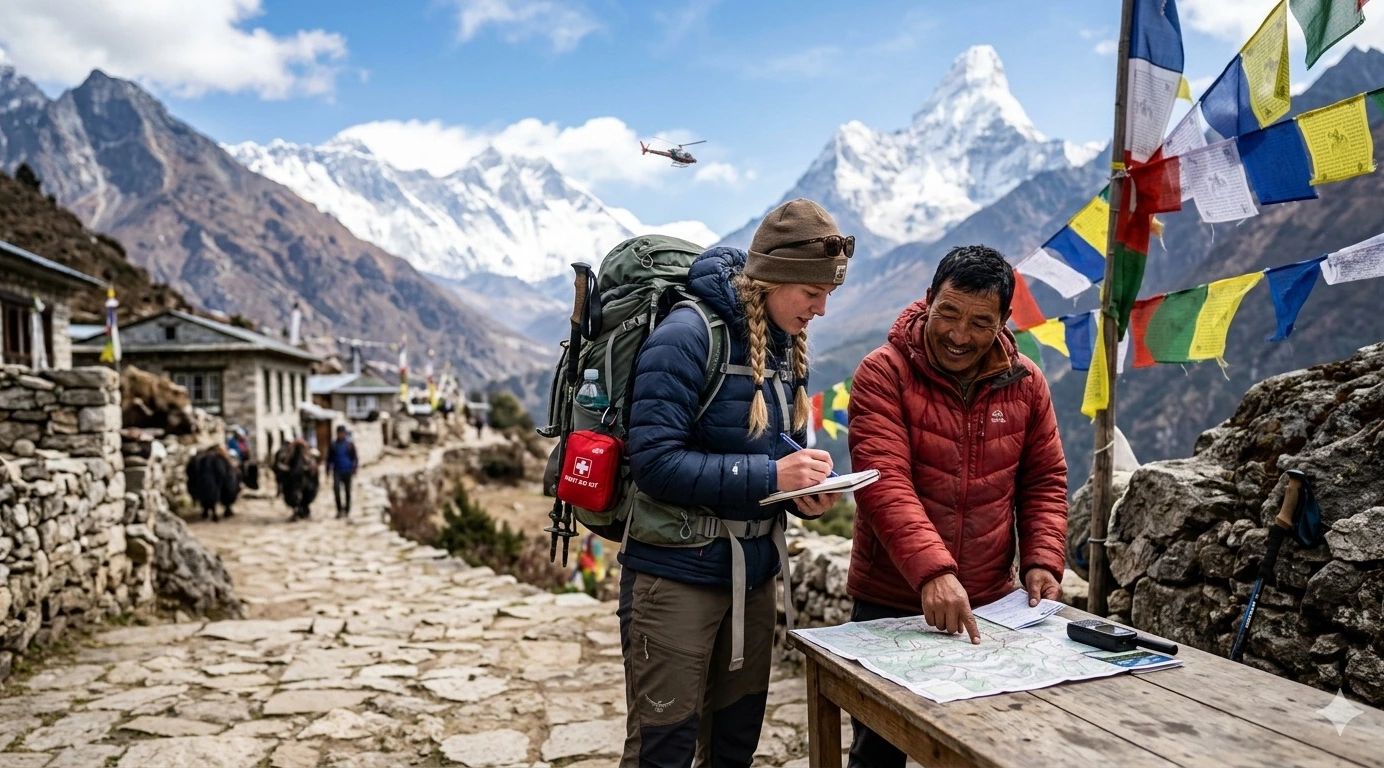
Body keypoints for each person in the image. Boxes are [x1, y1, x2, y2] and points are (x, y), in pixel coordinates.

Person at [620, 198, 852, 767]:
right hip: (675, 576)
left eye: (828, 295)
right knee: (663, 750)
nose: (821, 309)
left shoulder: (779, 342)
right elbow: (654, 462)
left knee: (734, 745)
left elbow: (767, 446)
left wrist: (800, 490)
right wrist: (772, 475)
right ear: (774, 277)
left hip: (751, 578)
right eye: (812, 294)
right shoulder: (686, 336)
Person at [844, 245, 1068, 768]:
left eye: (979, 322)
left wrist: (1041, 560)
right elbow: (883, 482)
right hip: (891, 599)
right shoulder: (884, 373)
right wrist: (933, 573)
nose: (959, 335)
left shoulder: (1026, 383)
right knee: (880, 748)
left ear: (1004, 321)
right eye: (948, 313)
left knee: (987, 743)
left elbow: (1044, 480)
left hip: (992, 605)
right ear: (927, 301)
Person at [325, 425, 359, 518]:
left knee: (347, 491)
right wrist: (327, 470)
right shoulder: (333, 445)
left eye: (342, 433)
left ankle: (347, 510)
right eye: (339, 433)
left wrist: (355, 468)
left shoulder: (349, 445)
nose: (341, 435)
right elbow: (329, 459)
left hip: (347, 471)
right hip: (337, 471)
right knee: (336, 490)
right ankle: (339, 509)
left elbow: (355, 458)